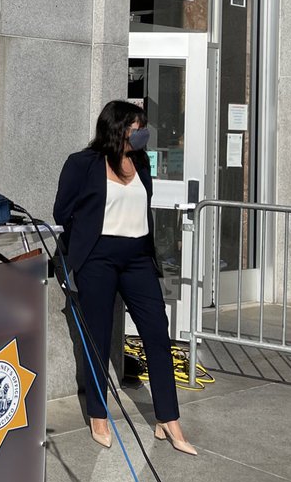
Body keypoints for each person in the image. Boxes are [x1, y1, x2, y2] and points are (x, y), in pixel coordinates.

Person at [53, 100, 196, 455]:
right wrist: (84, 244)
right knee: (97, 338)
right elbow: (63, 212)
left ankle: (168, 418)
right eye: (137, 126)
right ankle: (98, 414)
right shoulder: (82, 163)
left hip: (137, 259)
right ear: (117, 128)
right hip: (97, 258)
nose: (143, 132)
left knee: (157, 336)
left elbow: (143, 206)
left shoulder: (141, 161)